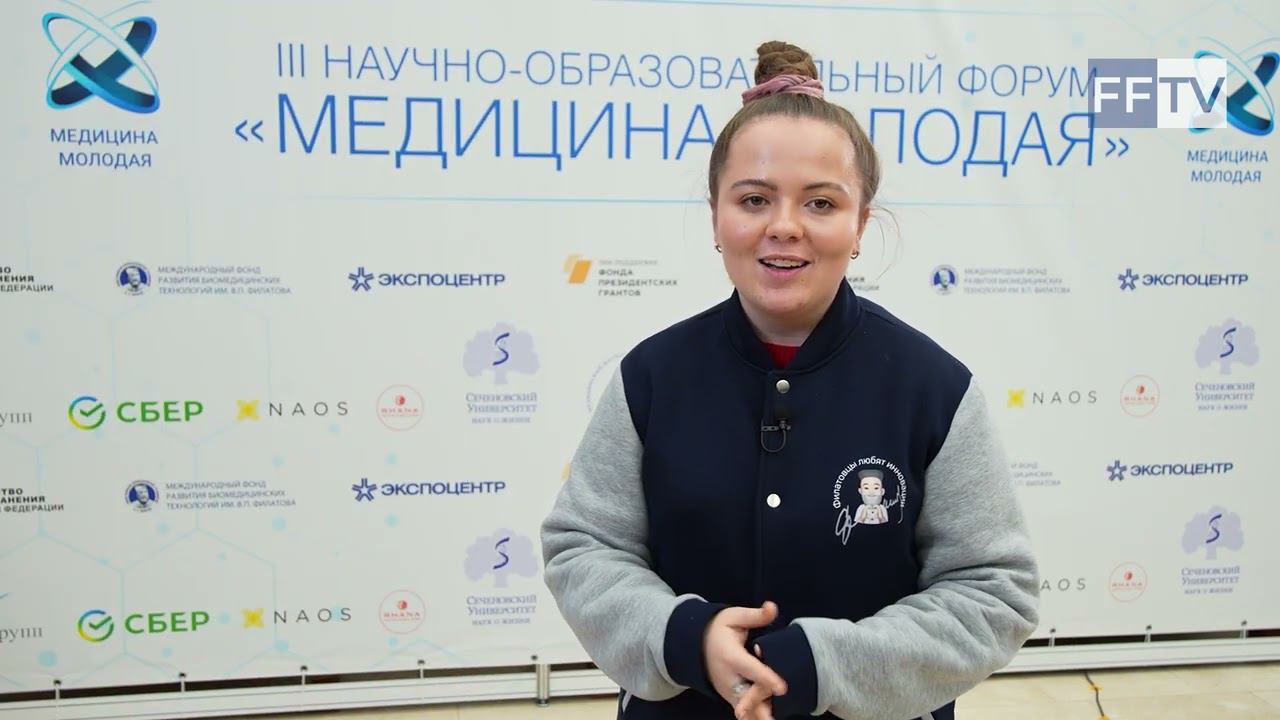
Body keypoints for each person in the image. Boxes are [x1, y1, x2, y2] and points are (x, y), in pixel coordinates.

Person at [542, 40, 1039, 720]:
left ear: (861, 224)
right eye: (754, 199)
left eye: (821, 204)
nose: (784, 227)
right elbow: (583, 549)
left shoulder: (935, 389)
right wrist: (686, 637)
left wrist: (825, 664)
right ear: (716, 217)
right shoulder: (650, 378)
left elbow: (992, 591)